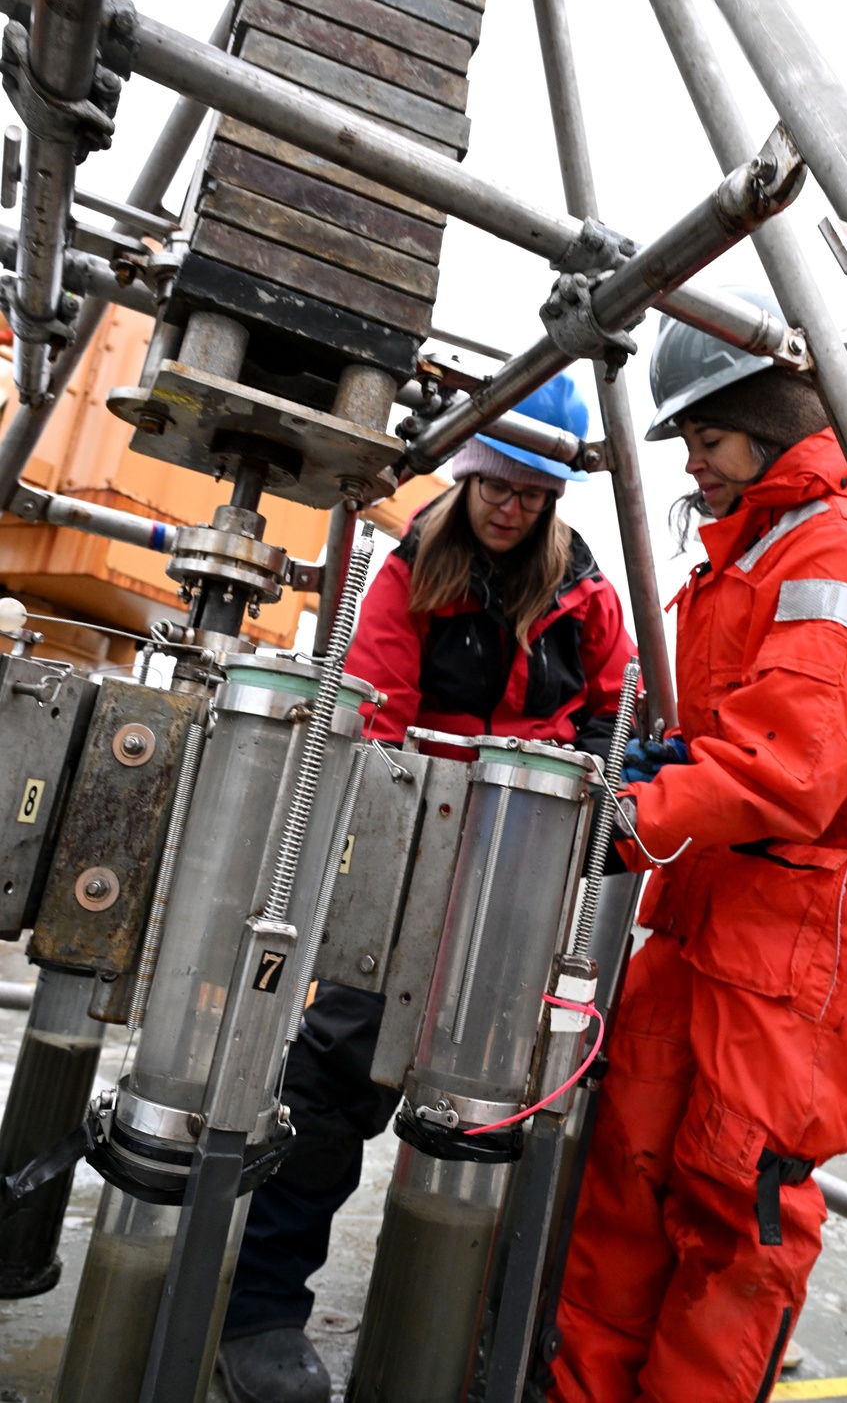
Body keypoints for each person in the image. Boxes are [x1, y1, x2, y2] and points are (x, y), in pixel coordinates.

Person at [548, 299, 847, 1403]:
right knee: (629, 1161)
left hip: (826, 926)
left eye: (705, 440)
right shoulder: (753, 551)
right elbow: (737, 741)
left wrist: (630, 820)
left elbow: (789, 764)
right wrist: (659, 769)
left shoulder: (842, 550)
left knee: (731, 1196)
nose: (693, 466)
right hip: (724, 904)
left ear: (764, 424)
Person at [217, 374, 637, 1403]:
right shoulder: (412, 571)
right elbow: (375, 717)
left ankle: (480, 1318)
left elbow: (612, 725)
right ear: (468, 473)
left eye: (536, 494)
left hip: (522, 887)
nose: (513, 507)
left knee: (501, 1108)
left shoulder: (585, 597)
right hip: (409, 863)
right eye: (500, 484)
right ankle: (263, 1313)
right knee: (327, 1088)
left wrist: (588, 797)